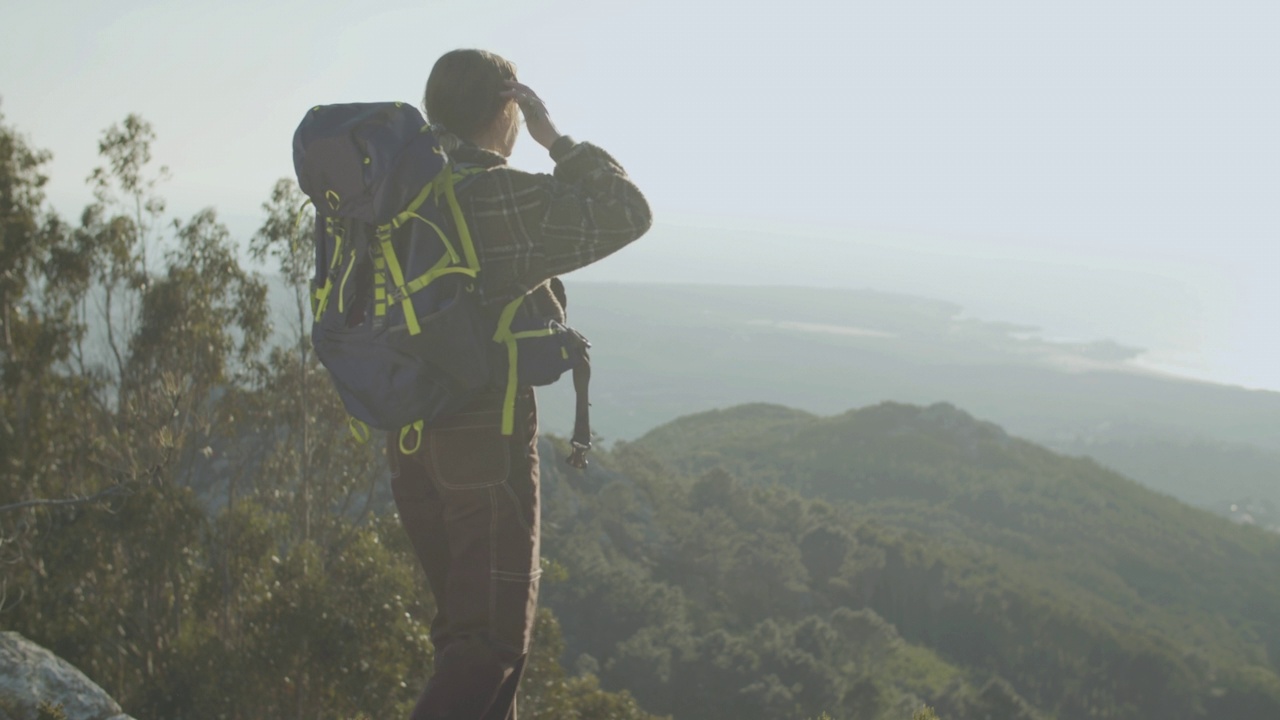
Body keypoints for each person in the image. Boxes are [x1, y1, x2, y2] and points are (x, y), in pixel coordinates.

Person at [388, 49, 652, 720]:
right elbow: (627, 211)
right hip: (485, 440)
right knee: (490, 644)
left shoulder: (397, 192)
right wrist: (556, 138)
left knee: (462, 631)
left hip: (411, 441)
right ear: (506, 108)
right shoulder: (493, 192)